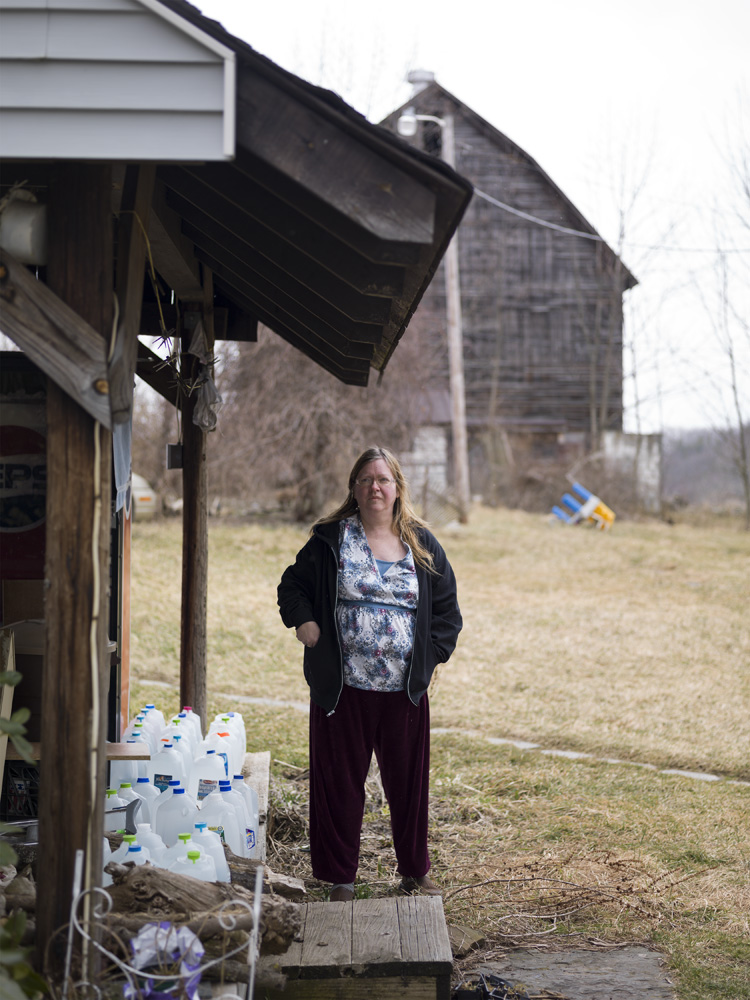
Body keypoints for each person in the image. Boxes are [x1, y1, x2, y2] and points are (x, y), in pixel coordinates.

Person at [277, 446, 462, 902]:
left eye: (383, 479)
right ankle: (340, 878)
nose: (375, 487)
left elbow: (447, 615)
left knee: (408, 786)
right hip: (343, 688)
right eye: (365, 480)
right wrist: (305, 623)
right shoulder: (332, 540)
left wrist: (426, 658)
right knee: (338, 783)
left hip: (404, 693)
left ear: (398, 488)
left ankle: (415, 871)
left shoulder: (423, 544)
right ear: (354, 489)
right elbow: (292, 585)